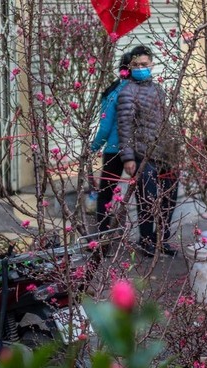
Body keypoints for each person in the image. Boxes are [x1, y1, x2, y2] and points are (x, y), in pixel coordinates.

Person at [116, 45, 179, 257]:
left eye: (144, 64)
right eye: (136, 65)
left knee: (169, 198)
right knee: (147, 199)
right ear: (130, 67)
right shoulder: (127, 92)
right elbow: (124, 127)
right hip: (143, 154)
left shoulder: (158, 89)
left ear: (152, 65)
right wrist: (128, 158)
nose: (141, 68)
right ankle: (145, 240)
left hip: (165, 153)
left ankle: (161, 239)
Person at [91, 52, 132, 234]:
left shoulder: (112, 92)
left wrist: (93, 147)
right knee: (141, 195)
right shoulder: (138, 91)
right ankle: (146, 240)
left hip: (114, 150)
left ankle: (102, 238)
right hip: (136, 150)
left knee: (105, 196)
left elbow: (105, 127)